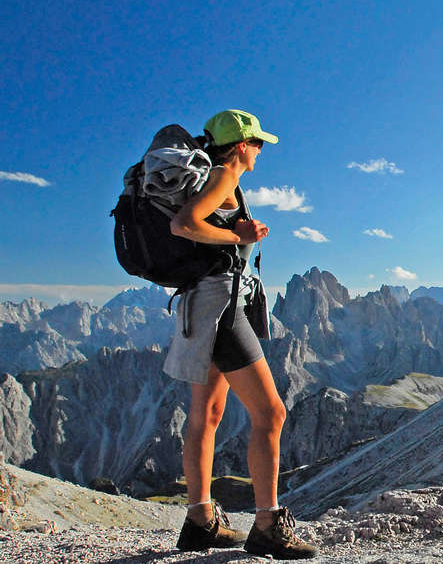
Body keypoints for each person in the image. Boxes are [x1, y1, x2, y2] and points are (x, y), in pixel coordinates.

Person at [165, 109, 317, 559]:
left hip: (200, 306)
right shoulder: (223, 176)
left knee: (206, 415)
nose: (261, 152)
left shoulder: (217, 176)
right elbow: (185, 224)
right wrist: (237, 237)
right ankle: (268, 524)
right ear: (241, 146)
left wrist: (237, 231)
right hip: (222, 309)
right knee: (271, 414)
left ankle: (199, 522)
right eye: (258, 144)